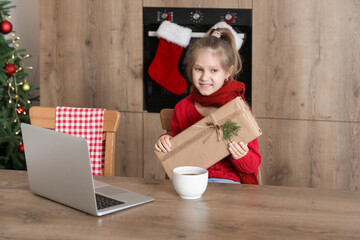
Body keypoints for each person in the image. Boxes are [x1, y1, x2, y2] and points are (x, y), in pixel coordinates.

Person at [155, 24, 261, 184]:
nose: (205, 77)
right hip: (191, 182)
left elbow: (253, 165)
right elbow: (177, 148)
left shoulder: (238, 110)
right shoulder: (183, 108)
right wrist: (166, 139)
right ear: (191, 69)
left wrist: (242, 155)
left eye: (213, 70)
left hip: (229, 185)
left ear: (228, 72)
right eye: (199, 69)